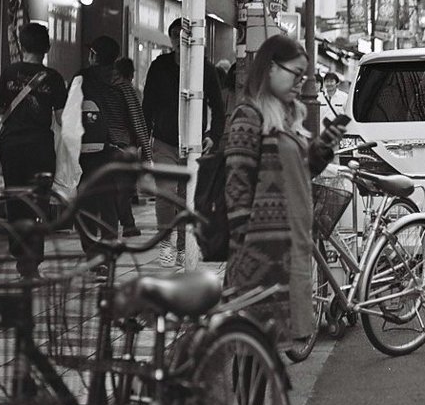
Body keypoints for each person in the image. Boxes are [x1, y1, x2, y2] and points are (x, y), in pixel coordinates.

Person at [223, 35, 346, 349]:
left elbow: (300, 173)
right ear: (270, 68)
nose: (300, 83)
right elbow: (236, 188)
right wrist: (244, 251)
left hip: (290, 248)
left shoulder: (288, 117)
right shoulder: (248, 117)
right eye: (295, 74)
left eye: (304, 76)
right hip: (264, 254)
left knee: (272, 351)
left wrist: (323, 146)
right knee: (255, 360)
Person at [142, 18, 225, 267]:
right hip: (165, 142)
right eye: (176, 37)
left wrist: (212, 135)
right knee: (165, 195)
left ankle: (182, 246)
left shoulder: (206, 69)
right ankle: (166, 243)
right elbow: (148, 103)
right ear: (171, 40)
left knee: (186, 197)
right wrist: (144, 138)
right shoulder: (159, 66)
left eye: (185, 36)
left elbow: (218, 109)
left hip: (195, 143)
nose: (180, 41)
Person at [0, 23, 68, 277]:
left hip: (11, 147)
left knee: (16, 200)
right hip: (41, 148)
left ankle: (21, 256)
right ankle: (33, 259)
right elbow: (61, 118)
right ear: (47, 48)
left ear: (22, 46)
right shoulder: (54, 78)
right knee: (38, 203)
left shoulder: (10, 72)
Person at [71, 35, 151, 255]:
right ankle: (107, 252)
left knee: (86, 201)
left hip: (87, 149)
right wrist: (146, 155)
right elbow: (138, 121)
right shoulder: (123, 86)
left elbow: (68, 115)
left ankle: (91, 252)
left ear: (94, 56)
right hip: (117, 152)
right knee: (109, 203)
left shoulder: (82, 79)